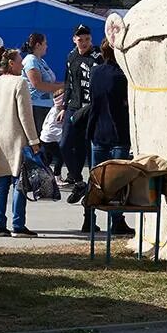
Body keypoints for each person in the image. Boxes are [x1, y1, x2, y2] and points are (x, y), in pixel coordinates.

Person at [0, 49, 41, 237]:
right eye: (19, 61)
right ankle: (18, 225)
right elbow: (26, 115)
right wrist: (34, 140)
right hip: (18, 139)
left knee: (0, 183)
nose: (22, 64)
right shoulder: (20, 83)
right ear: (11, 64)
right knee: (19, 183)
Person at [85, 40, 134, 237]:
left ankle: (89, 216)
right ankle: (117, 220)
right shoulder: (122, 76)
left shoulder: (95, 73)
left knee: (95, 177)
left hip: (98, 130)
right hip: (118, 132)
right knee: (116, 180)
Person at [61, 24, 101, 219]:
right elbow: (67, 82)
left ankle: (89, 215)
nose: (83, 43)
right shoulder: (71, 57)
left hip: (90, 108)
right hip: (73, 106)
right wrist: (62, 108)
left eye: (86, 39)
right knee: (65, 144)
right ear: (74, 40)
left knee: (88, 153)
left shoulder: (97, 58)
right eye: (80, 39)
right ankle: (77, 180)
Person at [20, 31, 63, 174]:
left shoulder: (41, 61)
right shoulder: (30, 60)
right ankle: (35, 174)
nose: (47, 46)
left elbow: (50, 82)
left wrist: (64, 85)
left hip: (46, 106)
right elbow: (38, 84)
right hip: (35, 106)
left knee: (46, 142)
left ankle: (44, 173)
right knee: (40, 142)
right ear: (38, 45)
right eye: (45, 43)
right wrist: (63, 86)